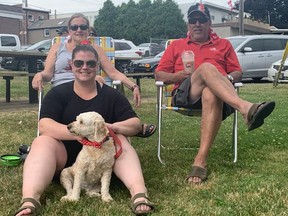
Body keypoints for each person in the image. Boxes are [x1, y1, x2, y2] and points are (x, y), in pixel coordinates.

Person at [14, 44, 155, 216]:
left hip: (102, 159)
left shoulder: (112, 95)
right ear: (71, 65)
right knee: (42, 141)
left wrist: (113, 128)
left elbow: (135, 124)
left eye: (90, 63)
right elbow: (44, 125)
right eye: (79, 63)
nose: (84, 67)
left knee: (120, 140)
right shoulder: (58, 93)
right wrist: (81, 136)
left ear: (97, 66)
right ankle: (30, 200)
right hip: (64, 160)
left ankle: (139, 194)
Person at [155, 3, 275, 184]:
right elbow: (159, 74)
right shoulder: (177, 45)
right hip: (186, 94)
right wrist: (183, 75)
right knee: (206, 68)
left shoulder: (224, 45)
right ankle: (245, 108)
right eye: (193, 20)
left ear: (209, 23)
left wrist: (223, 79)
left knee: (211, 91)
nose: (197, 24)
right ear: (188, 25)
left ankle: (200, 161)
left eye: (201, 20)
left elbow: (237, 72)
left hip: (218, 96)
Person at [32, 13, 156, 138]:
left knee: (98, 80)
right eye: (75, 27)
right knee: (98, 79)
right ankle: (133, 128)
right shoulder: (57, 47)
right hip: (63, 93)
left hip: (90, 89)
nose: (79, 30)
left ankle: (128, 126)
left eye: (83, 27)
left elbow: (112, 72)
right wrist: (39, 75)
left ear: (88, 30)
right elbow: (48, 73)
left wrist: (133, 86)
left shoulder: (96, 49)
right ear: (69, 30)